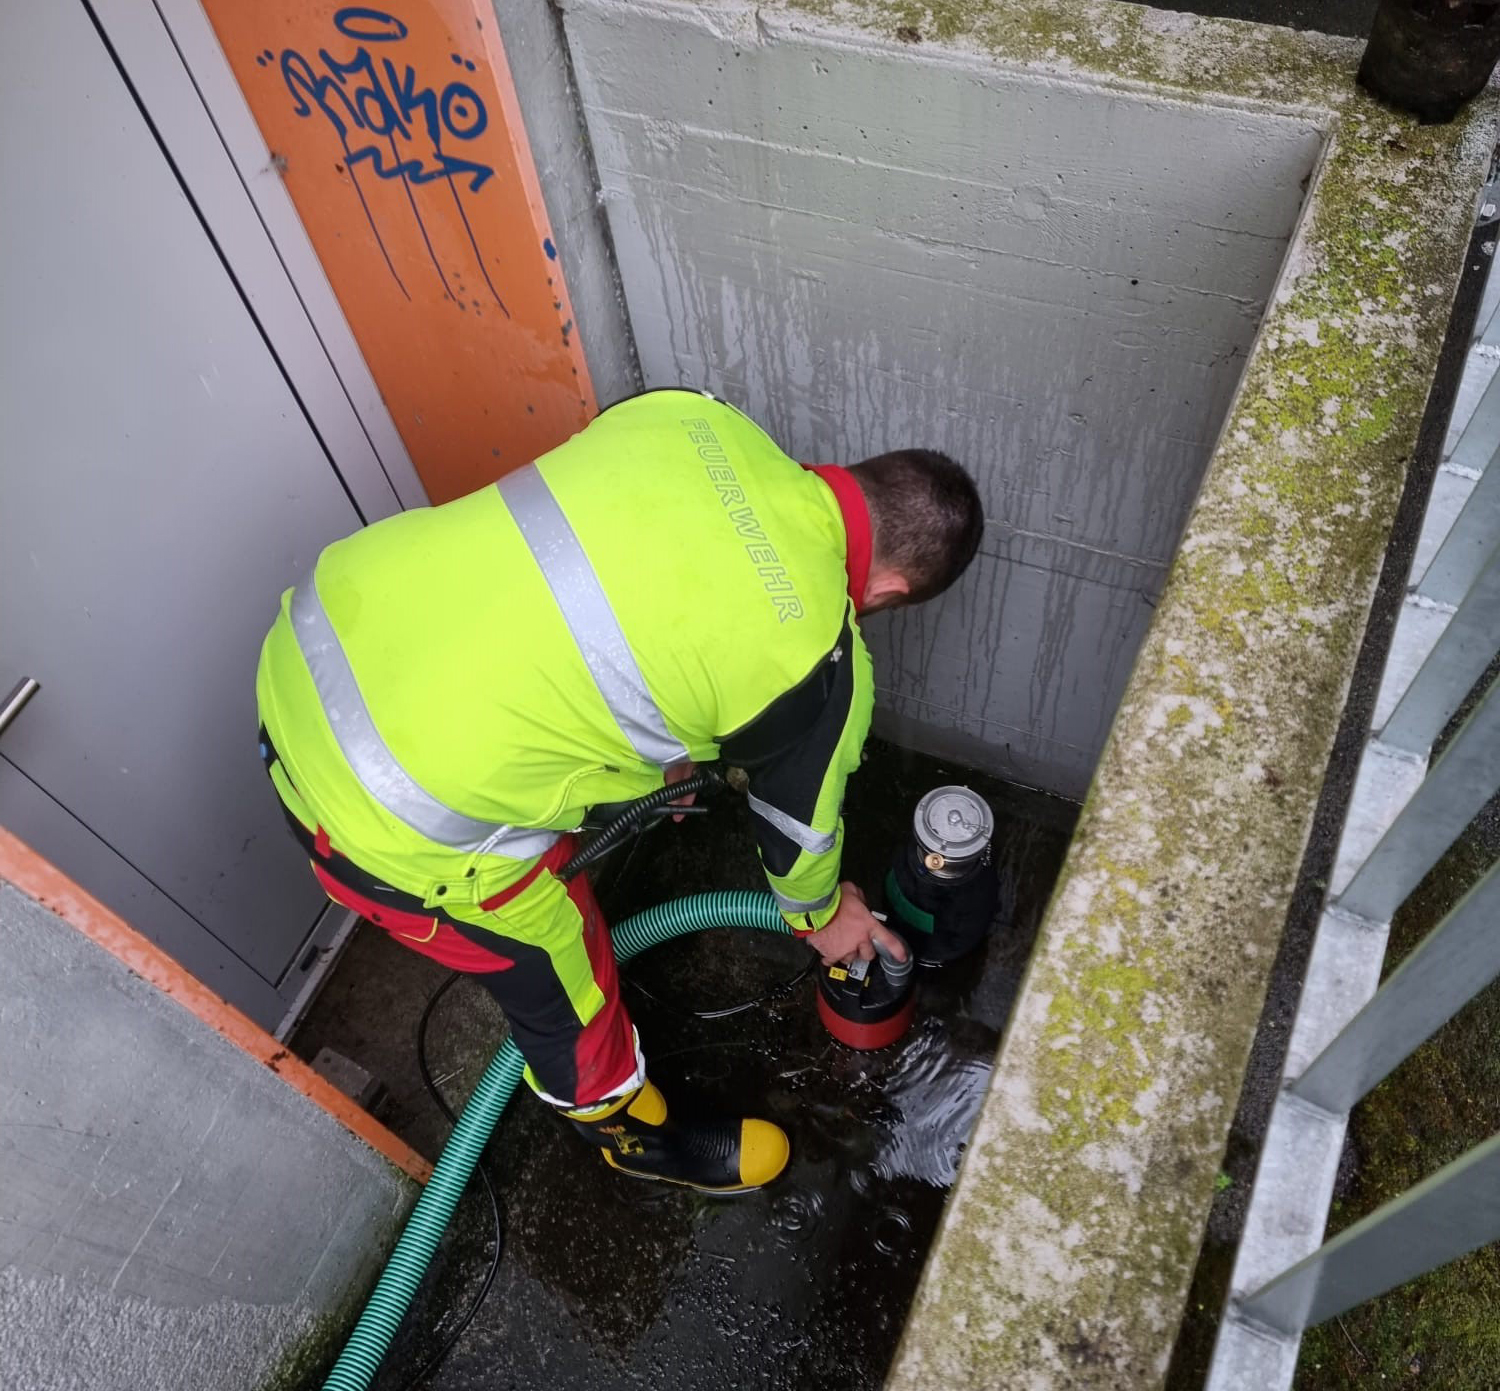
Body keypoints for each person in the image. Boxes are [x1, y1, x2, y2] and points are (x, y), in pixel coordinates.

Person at [256, 389, 982, 1193]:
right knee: (559, 961)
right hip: (381, 813)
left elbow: (614, 588)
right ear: (890, 590)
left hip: (317, 636)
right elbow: (797, 842)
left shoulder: (697, 416)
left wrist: (663, 754)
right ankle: (630, 1133)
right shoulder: (821, 661)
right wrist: (823, 917)